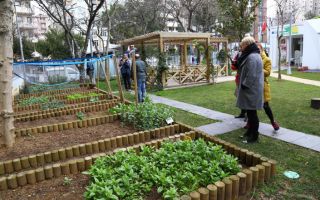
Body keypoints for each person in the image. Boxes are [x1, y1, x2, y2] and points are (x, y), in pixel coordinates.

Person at [236, 37, 264, 143]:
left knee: (252, 114)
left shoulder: (252, 56)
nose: (241, 48)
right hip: (252, 89)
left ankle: (254, 136)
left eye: (242, 45)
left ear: (247, 45)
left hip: (251, 90)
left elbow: (251, 74)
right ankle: (249, 132)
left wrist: (244, 85)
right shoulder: (253, 54)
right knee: (250, 112)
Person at [257, 43, 280, 131]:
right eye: (256, 49)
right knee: (251, 105)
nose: (257, 51)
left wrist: (258, 68)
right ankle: (250, 122)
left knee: (265, 105)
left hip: (262, 85)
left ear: (262, 49)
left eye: (259, 49)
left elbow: (268, 72)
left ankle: (273, 121)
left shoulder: (266, 59)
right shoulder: (252, 58)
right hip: (253, 84)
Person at [231, 49, 247, 119]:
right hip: (239, 79)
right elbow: (233, 67)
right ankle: (242, 113)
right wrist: (234, 64)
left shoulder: (250, 55)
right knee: (240, 97)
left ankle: (248, 115)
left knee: (246, 98)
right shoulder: (239, 54)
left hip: (247, 79)